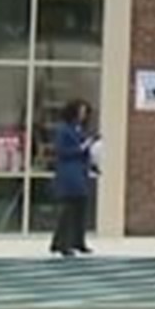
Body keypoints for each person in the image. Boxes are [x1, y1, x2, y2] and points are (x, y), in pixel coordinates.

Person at [49, 99, 97, 257]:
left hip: (81, 172)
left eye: (85, 112)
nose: (83, 115)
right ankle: (63, 243)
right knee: (67, 210)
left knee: (80, 209)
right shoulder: (64, 130)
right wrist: (81, 148)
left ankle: (78, 242)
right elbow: (62, 151)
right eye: (80, 111)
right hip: (69, 173)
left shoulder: (80, 130)